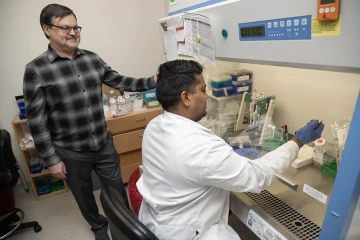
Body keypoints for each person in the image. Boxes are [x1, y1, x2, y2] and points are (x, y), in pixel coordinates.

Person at [136, 60, 324, 240]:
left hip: (156, 223)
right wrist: (298, 141)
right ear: (186, 97)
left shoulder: (154, 126)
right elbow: (257, 177)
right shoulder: (201, 147)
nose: (207, 95)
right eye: (202, 90)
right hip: (189, 233)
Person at [23, 4, 157, 240]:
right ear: (47, 29)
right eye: (65, 28)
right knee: (84, 195)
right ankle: (98, 228)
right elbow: (36, 119)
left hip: (103, 143)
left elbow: (119, 81)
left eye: (76, 27)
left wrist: (152, 80)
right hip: (71, 150)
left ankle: (123, 224)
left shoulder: (92, 59)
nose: (73, 32)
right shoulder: (37, 70)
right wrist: (51, 158)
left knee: (116, 188)